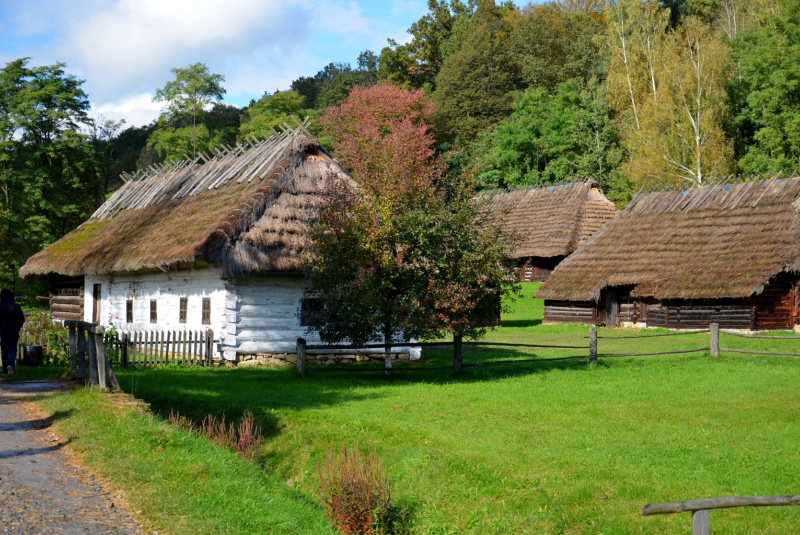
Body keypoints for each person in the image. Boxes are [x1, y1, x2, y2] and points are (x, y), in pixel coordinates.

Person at [0, 289, 25, 375]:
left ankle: (4, 370)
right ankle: (10, 365)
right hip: (13, 331)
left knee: (4, 351)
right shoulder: (16, 307)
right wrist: (17, 327)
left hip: (2, 332)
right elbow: (21, 319)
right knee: (12, 351)